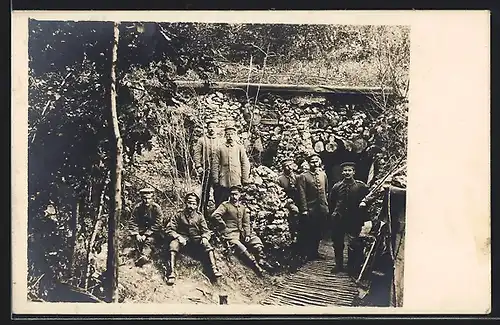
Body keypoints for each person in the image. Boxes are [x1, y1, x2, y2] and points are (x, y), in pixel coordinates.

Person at [165, 192, 222, 285]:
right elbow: (169, 229)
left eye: (194, 204)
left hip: (196, 240)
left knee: (207, 245)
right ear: (185, 203)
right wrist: (178, 236)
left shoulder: (199, 216)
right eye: (189, 203)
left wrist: (204, 237)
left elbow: (206, 231)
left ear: (196, 205)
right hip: (183, 239)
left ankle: (214, 269)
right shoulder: (179, 215)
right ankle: (171, 273)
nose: (191, 206)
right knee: (173, 245)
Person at [210, 185, 269, 276]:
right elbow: (215, 215)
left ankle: (261, 260)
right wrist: (223, 225)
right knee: (241, 247)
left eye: (236, 194)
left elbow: (246, 223)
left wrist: (248, 235)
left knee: (256, 240)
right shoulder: (225, 205)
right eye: (232, 194)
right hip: (230, 234)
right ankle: (257, 267)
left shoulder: (242, 208)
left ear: (240, 195)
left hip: (241, 233)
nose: (234, 197)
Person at [328, 161, 370, 275]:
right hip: (339, 219)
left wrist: (364, 204)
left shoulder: (361, 186)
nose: (347, 173)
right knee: (338, 243)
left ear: (354, 172)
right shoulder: (336, 186)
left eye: (349, 170)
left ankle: (352, 267)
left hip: (354, 219)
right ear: (342, 172)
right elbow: (331, 202)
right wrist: (334, 214)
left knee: (354, 243)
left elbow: (369, 198)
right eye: (345, 170)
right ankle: (339, 265)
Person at [296, 153, 329, 261]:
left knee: (319, 231)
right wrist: (304, 209)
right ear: (309, 163)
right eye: (312, 161)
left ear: (320, 162)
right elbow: (302, 194)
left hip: (321, 208)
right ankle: (307, 253)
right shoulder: (303, 176)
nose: (315, 163)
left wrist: (326, 205)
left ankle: (315, 252)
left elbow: (326, 191)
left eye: (316, 161)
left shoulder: (323, 175)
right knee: (309, 231)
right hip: (310, 209)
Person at [212, 121, 251, 207]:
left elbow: (245, 163)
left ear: (235, 135)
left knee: (235, 200)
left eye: (232, 134)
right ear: (225, 135)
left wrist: (245, 178)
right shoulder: (220, 148)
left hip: (236, 179)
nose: (230, 136)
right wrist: (215, 180)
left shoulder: (239, 147)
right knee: (222, 201)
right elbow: (215, 164)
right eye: (228, 134)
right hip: (223, 179)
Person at [128, 188, 164, 266]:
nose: (147, 200)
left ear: (152, 198)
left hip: (153, 232)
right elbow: (132, 221)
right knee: (132, 240)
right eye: (144, 198)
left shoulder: (156, 208)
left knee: (149, 241)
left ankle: (144, 256)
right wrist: (137, 234)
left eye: (149, 198)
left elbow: (158, 223)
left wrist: (146, 234)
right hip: (140, 230)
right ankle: (130, 254)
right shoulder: (137, 208)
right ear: (141, 198)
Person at [193, 118, 221, 216]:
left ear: (217, 128)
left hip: (217, 171)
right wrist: (198, 166)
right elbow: (196, 154)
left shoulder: (220, 141)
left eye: (213, 127)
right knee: (205, 191)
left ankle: (218, 213)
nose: (212, 129)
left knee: (218, 192)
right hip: (205, 170)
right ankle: (203, 213)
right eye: (210, 127)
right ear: (207, 128)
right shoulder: (202, 140)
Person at [276, 158, 300, 252]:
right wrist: (286, 200)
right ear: (283, 168)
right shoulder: (280, 179)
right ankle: (294, 235)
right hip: (286, 201)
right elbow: (279, 193)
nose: (289, 167)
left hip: (297, 199)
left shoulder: (298, 177)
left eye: (291, 165)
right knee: (295, 212)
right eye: (286, 166)